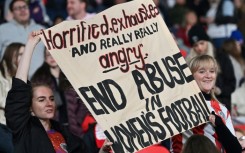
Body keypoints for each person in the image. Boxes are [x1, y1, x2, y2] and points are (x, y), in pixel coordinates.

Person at [171, 55, 237, 153]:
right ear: (191, 76)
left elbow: (235, 150)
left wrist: (219, 125)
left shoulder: (221, 109)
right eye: (202, 72)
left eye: (212, 71)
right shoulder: (179, 105)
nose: (208, 75)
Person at [31, 49, 89, 137]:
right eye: (48, 55)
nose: (51, 57)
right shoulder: (39, 77)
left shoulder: (72, 74)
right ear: (45, 58)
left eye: (54, 54)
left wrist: (78, 119)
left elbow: (84, 99)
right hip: (52, 127)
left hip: (74, 127)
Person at [186, 24, 236, 111]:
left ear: (207, 42)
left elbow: (231, 84)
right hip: (199, 108)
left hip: (221, 105)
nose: (199, 48)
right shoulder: (189, 63)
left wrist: (219, 91)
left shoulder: (222, 58)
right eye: (195, 45)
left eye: (202, 43)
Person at [0, 0, 45, 78]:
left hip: (40, 81)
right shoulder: (2, 29)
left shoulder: (41, 29)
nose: (22, 10)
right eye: (18, 8)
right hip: (11, 82)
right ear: (12, 13)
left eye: (25, 7)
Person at [0, 43, 24, 153]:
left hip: (16, 127)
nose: (24, 58)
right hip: (2, 126)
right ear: (11, 55)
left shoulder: (19, 75)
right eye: (20, 54)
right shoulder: (1, 75)